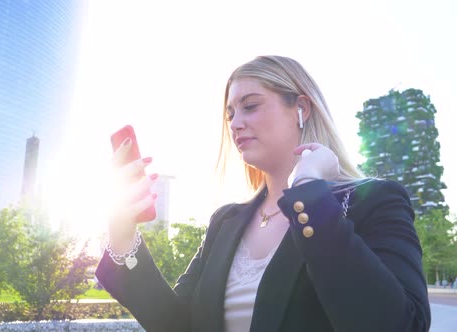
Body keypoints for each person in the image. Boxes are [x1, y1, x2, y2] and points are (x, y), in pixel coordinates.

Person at [95, 55, 431, 331]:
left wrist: (310, 191)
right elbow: (178, 325)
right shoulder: (225, 221)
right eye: (230, 114)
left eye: (250, 106)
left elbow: (402, 324)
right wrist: (123, 238)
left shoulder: (375, 202)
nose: (235, 123)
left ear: (301, 108)